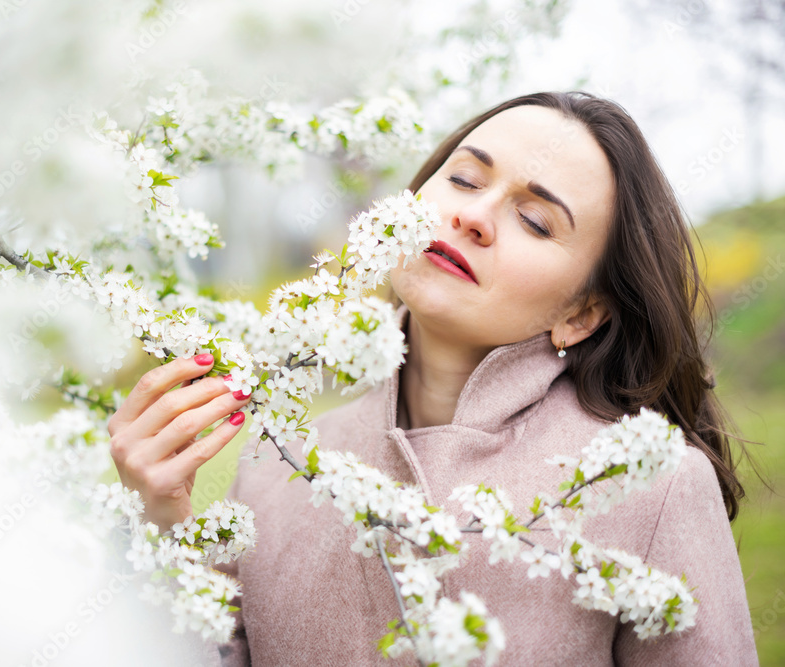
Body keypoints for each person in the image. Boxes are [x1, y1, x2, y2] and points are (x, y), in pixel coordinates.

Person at [107, 92, 761, 665]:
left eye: (535, 220)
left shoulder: (652, 486)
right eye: (466, 179)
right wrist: (165, 519)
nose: (474, 217)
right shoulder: (278, 461)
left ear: (581, 313)